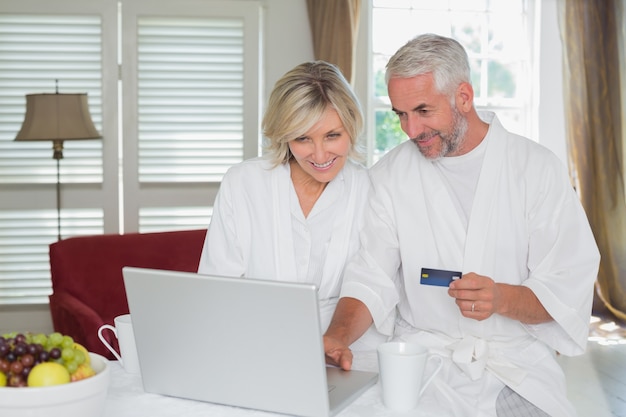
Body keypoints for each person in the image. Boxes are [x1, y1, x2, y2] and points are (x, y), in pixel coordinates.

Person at [323, 34, 601, 416]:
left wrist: (502, 298)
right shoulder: (389, 176)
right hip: (422, 360)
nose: (410, 129)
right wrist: (336, 337)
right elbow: (371, 276)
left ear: (464, 97)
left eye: (423, 110)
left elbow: (565, 288)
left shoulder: (536, 169)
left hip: (511, 365)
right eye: (400, 114)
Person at [198, 61, 386, 349]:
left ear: (351, 126)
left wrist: (335, 341)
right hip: (256, 344)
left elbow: (376, 281)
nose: (320, 154)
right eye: (303, 138)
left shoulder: (369, 189)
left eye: (332, 135)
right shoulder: (243, 183)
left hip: (350, 350)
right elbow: (216, 288)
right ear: (284, 135)